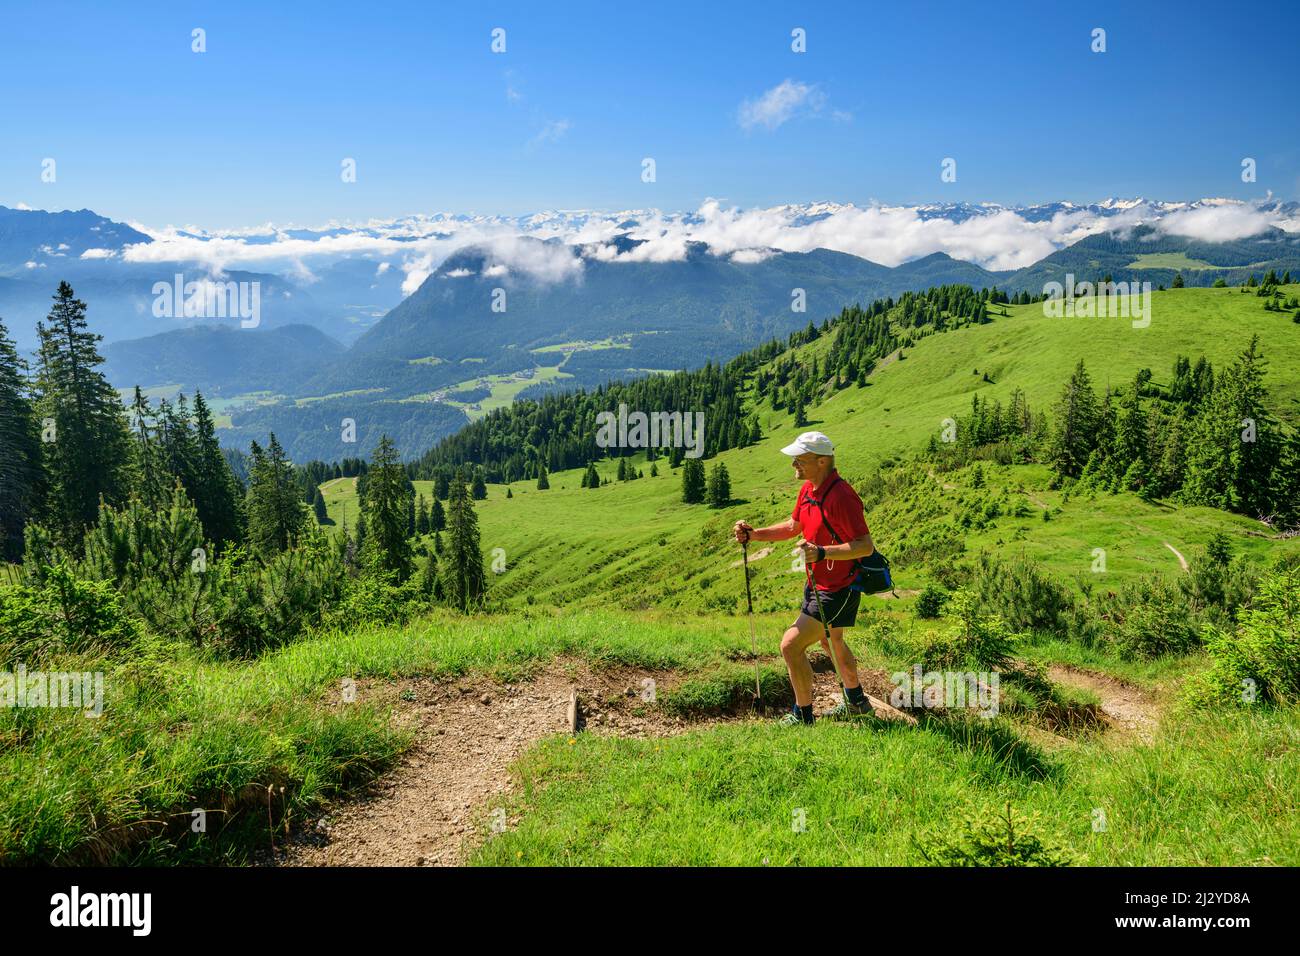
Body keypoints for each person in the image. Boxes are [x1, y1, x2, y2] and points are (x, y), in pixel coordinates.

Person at [733, 431, 877, 725]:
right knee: (831, 643)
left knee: (790, 645)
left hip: (839, 587)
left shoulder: (842, 496)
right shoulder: (809, 491)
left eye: (800, 459)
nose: (794, 464)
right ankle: (857, 703)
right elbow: (792, 526)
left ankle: (802, 715)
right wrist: (754, 534)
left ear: (822, 461)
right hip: (818, 583)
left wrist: (822, 553)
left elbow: (864, 545)